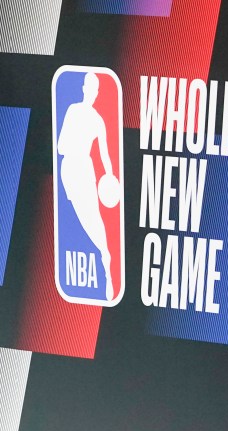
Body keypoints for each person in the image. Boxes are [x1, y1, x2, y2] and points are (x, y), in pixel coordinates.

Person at [57, 71, 116, 301]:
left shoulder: (98, 120)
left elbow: (105, 154)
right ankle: (104, 258)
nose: (92, 92)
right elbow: (61, 146)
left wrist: (110, 177)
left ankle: (107, 264)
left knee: (94, 221)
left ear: (97, 92)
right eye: (90, 87)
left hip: (84, 170)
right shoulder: (73, 111)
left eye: (95, 89)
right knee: (83, 222)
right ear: (84, 89)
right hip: (70, 171)